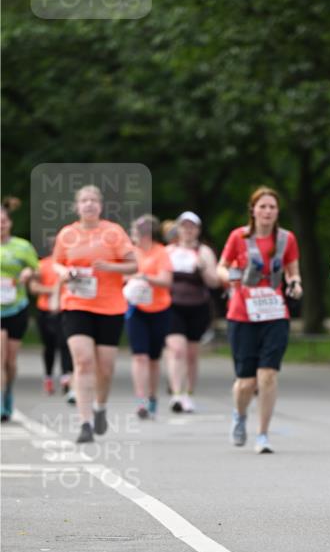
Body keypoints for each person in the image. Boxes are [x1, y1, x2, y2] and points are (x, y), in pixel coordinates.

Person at [217, 186, 302, 453]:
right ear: (253, 210)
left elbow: (292, 270)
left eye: (272, 207)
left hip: (275, 313)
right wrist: (228, 277)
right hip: (242, 314)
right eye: (262, 206)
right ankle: (240, 415)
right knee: (246, 382)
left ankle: (263, 434)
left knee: (267, 376)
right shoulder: (238, 237)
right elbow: (221, 265)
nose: (267, 211)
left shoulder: (286, 239)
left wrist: (295, 284)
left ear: (277, 212)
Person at [52, 185, 137, 443]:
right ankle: (85, 422)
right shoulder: (67, 234)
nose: (89, 205)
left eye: (93, 201)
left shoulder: (113, 232)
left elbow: (134, 265)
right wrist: (64, 273)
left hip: (110, 306)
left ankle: (100, 407)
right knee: (83, 361)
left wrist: (109, 266)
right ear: (77, 206)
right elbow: (56, 262)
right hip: (77, 303)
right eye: (84, 201)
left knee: (106, 368)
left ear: (100, 206)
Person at [165, 211, 219, 412]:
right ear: (178, 229)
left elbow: (214, 282)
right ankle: (176, 394)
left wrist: (203, 268)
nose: (188, 231)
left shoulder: (204, 252)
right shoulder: (169, 252)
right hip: (173, 306)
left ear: (197, 230)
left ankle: (189, 392)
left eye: (192, 227)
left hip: (197, 307)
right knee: (176, 349)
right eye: (184, 227)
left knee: (191, 353)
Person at [125, 215, 173, 418]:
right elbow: (121, 275)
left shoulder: (160, 252)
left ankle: (152, 396)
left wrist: (146, 278)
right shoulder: (130, 253)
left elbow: (166, 280)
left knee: (154, 358)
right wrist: (132, 279)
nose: (132, 236)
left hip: (159, 309)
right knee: (140, 356)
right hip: (136, 310)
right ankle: (141, 400)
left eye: (135, 232)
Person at [0, 201, 40, 421]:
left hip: (16, 307)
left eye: (3, 222)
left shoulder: (22, 246)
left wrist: (27, 272)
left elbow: (38, 270)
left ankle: (8, 393)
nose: (0, 226)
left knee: (10, 361)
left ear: (10, 223)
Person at [30, 237, 74, 399]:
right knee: (49, 345)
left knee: (65, 344)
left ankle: (66, 378)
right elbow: (34, 287)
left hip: (65, 309)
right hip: (46, 310)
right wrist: (54, 289)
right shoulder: (42, 265)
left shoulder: (68, 266)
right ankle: (48, 376)